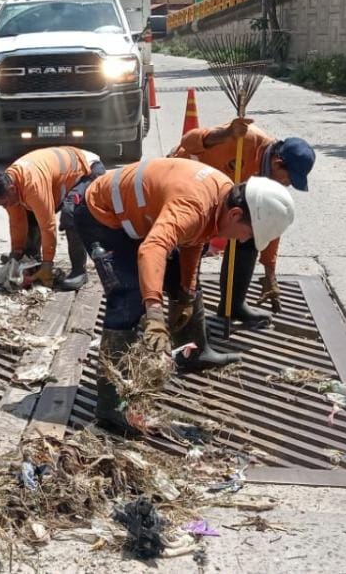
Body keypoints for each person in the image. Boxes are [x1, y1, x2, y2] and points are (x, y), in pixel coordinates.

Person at [69, 158, 295, 432]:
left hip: (139, 218)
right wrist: (154, 313)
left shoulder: (222, 196)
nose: (244, 241)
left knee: (183, 280)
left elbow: (194, 239)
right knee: (127, 298)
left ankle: (194, 353)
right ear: (235, 215)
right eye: (247, 234)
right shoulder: (194, 206)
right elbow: (152, 249)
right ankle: (110, 405)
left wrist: (186, 294)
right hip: (100, 215)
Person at [168, 117, 316, 329]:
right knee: (193, 247)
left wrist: (269, 274)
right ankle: (187, 319)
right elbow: (188, 141)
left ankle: (233, 305)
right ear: (276, 163)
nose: (288, 185)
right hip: (189, 185)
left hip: (224, 199)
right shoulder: (245, 138)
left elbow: (268, 225)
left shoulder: (271, 181)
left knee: (250, 236)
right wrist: (225, 134)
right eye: (288, 179)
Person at [0, 146, 104, 291]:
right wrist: (16, 253)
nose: (5, 207)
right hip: (61, 177)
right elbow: (17, 222)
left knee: (71, 214)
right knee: (29, 213)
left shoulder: (32, 185)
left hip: (87, 170)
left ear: (12, 189)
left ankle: (79, 272)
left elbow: (48, 225)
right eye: (1, 205)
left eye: (5, 203)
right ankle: (32, 262)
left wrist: (48, 264)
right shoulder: (9, 185)